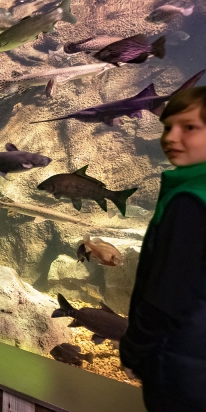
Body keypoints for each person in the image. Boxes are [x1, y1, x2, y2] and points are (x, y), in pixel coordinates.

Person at [120, 86, 206, 412]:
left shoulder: (188, 201)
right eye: (167, 127)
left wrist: (133, 351)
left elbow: (167, 295)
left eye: (189, 127)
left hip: (181, 364)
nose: (171, 137)